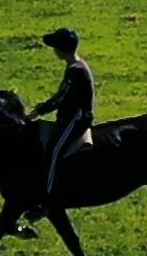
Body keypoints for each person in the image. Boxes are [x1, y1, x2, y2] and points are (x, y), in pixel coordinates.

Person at [10, 25, 92, 236]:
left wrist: (39, 110)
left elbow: (62, 97)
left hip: (75, 119)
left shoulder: (75, 71)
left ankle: (45, 201)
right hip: (68, 116)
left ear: (61, 49)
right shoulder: (76, 65)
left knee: (53, 153)